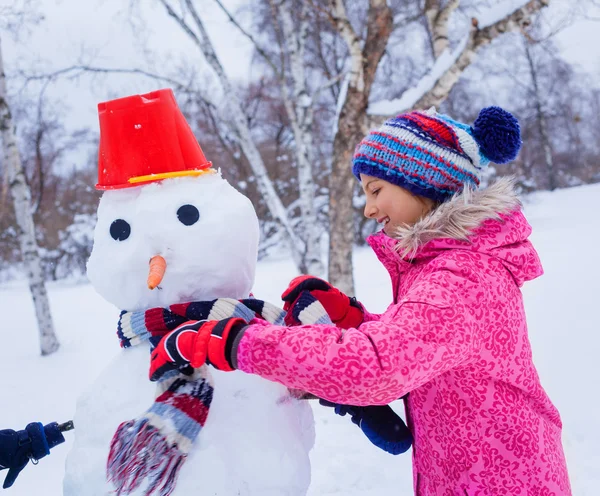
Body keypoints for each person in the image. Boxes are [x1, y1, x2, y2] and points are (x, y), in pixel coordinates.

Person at [148, 106, 571, 495]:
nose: (368, 208)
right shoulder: (448, 264)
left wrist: (235, 341)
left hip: (502, 481)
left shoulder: (461, 275)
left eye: (376, 189)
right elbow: (425, 344)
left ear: (422, 180)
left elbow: (376, 367)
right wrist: (353, 319)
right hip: (476, 473)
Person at [0, 421, 68, 489]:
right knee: (42, 436)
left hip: (28, 442)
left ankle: (58, 429)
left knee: (41, 436)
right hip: (27, 442)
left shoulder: (20, 459)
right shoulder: (20, 460)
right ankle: (58, 429)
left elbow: (10, 480)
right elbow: (9, 480)